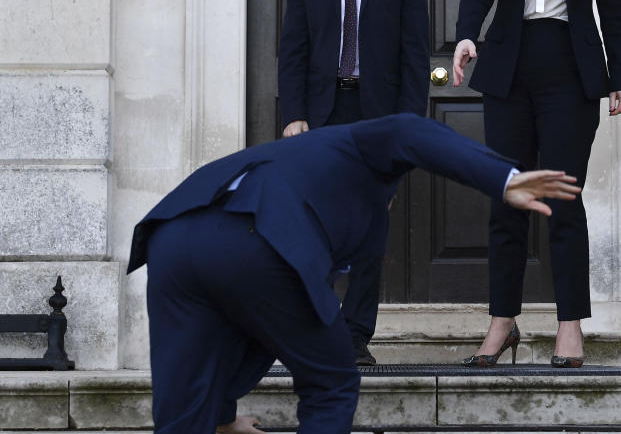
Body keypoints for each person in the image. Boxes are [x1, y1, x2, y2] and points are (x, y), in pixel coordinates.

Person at [127, 113, 581, 433]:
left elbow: (253, 330)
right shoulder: (355, 146)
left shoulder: (297, 164)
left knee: (182, 409)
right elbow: (410, 128)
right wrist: (502, 178)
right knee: (332, 383)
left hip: (172, 233)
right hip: (257, 234)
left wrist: (221, 416)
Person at [451, 0, 621, 368]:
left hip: (572, 72)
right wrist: (464, 34)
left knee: (561, 199)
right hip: (509, 68)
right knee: (506, 197)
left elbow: (614, 6)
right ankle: (502, 321)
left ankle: (569, 324)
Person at [277, 0, 430, 366]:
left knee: (368, 228)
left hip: (378, 117)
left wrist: (407, 130)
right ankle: (314, 328)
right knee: (317, 226)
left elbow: (414, 59)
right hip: (322, 115)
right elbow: (293, 51)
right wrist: (293, 115)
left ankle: (356, 335)